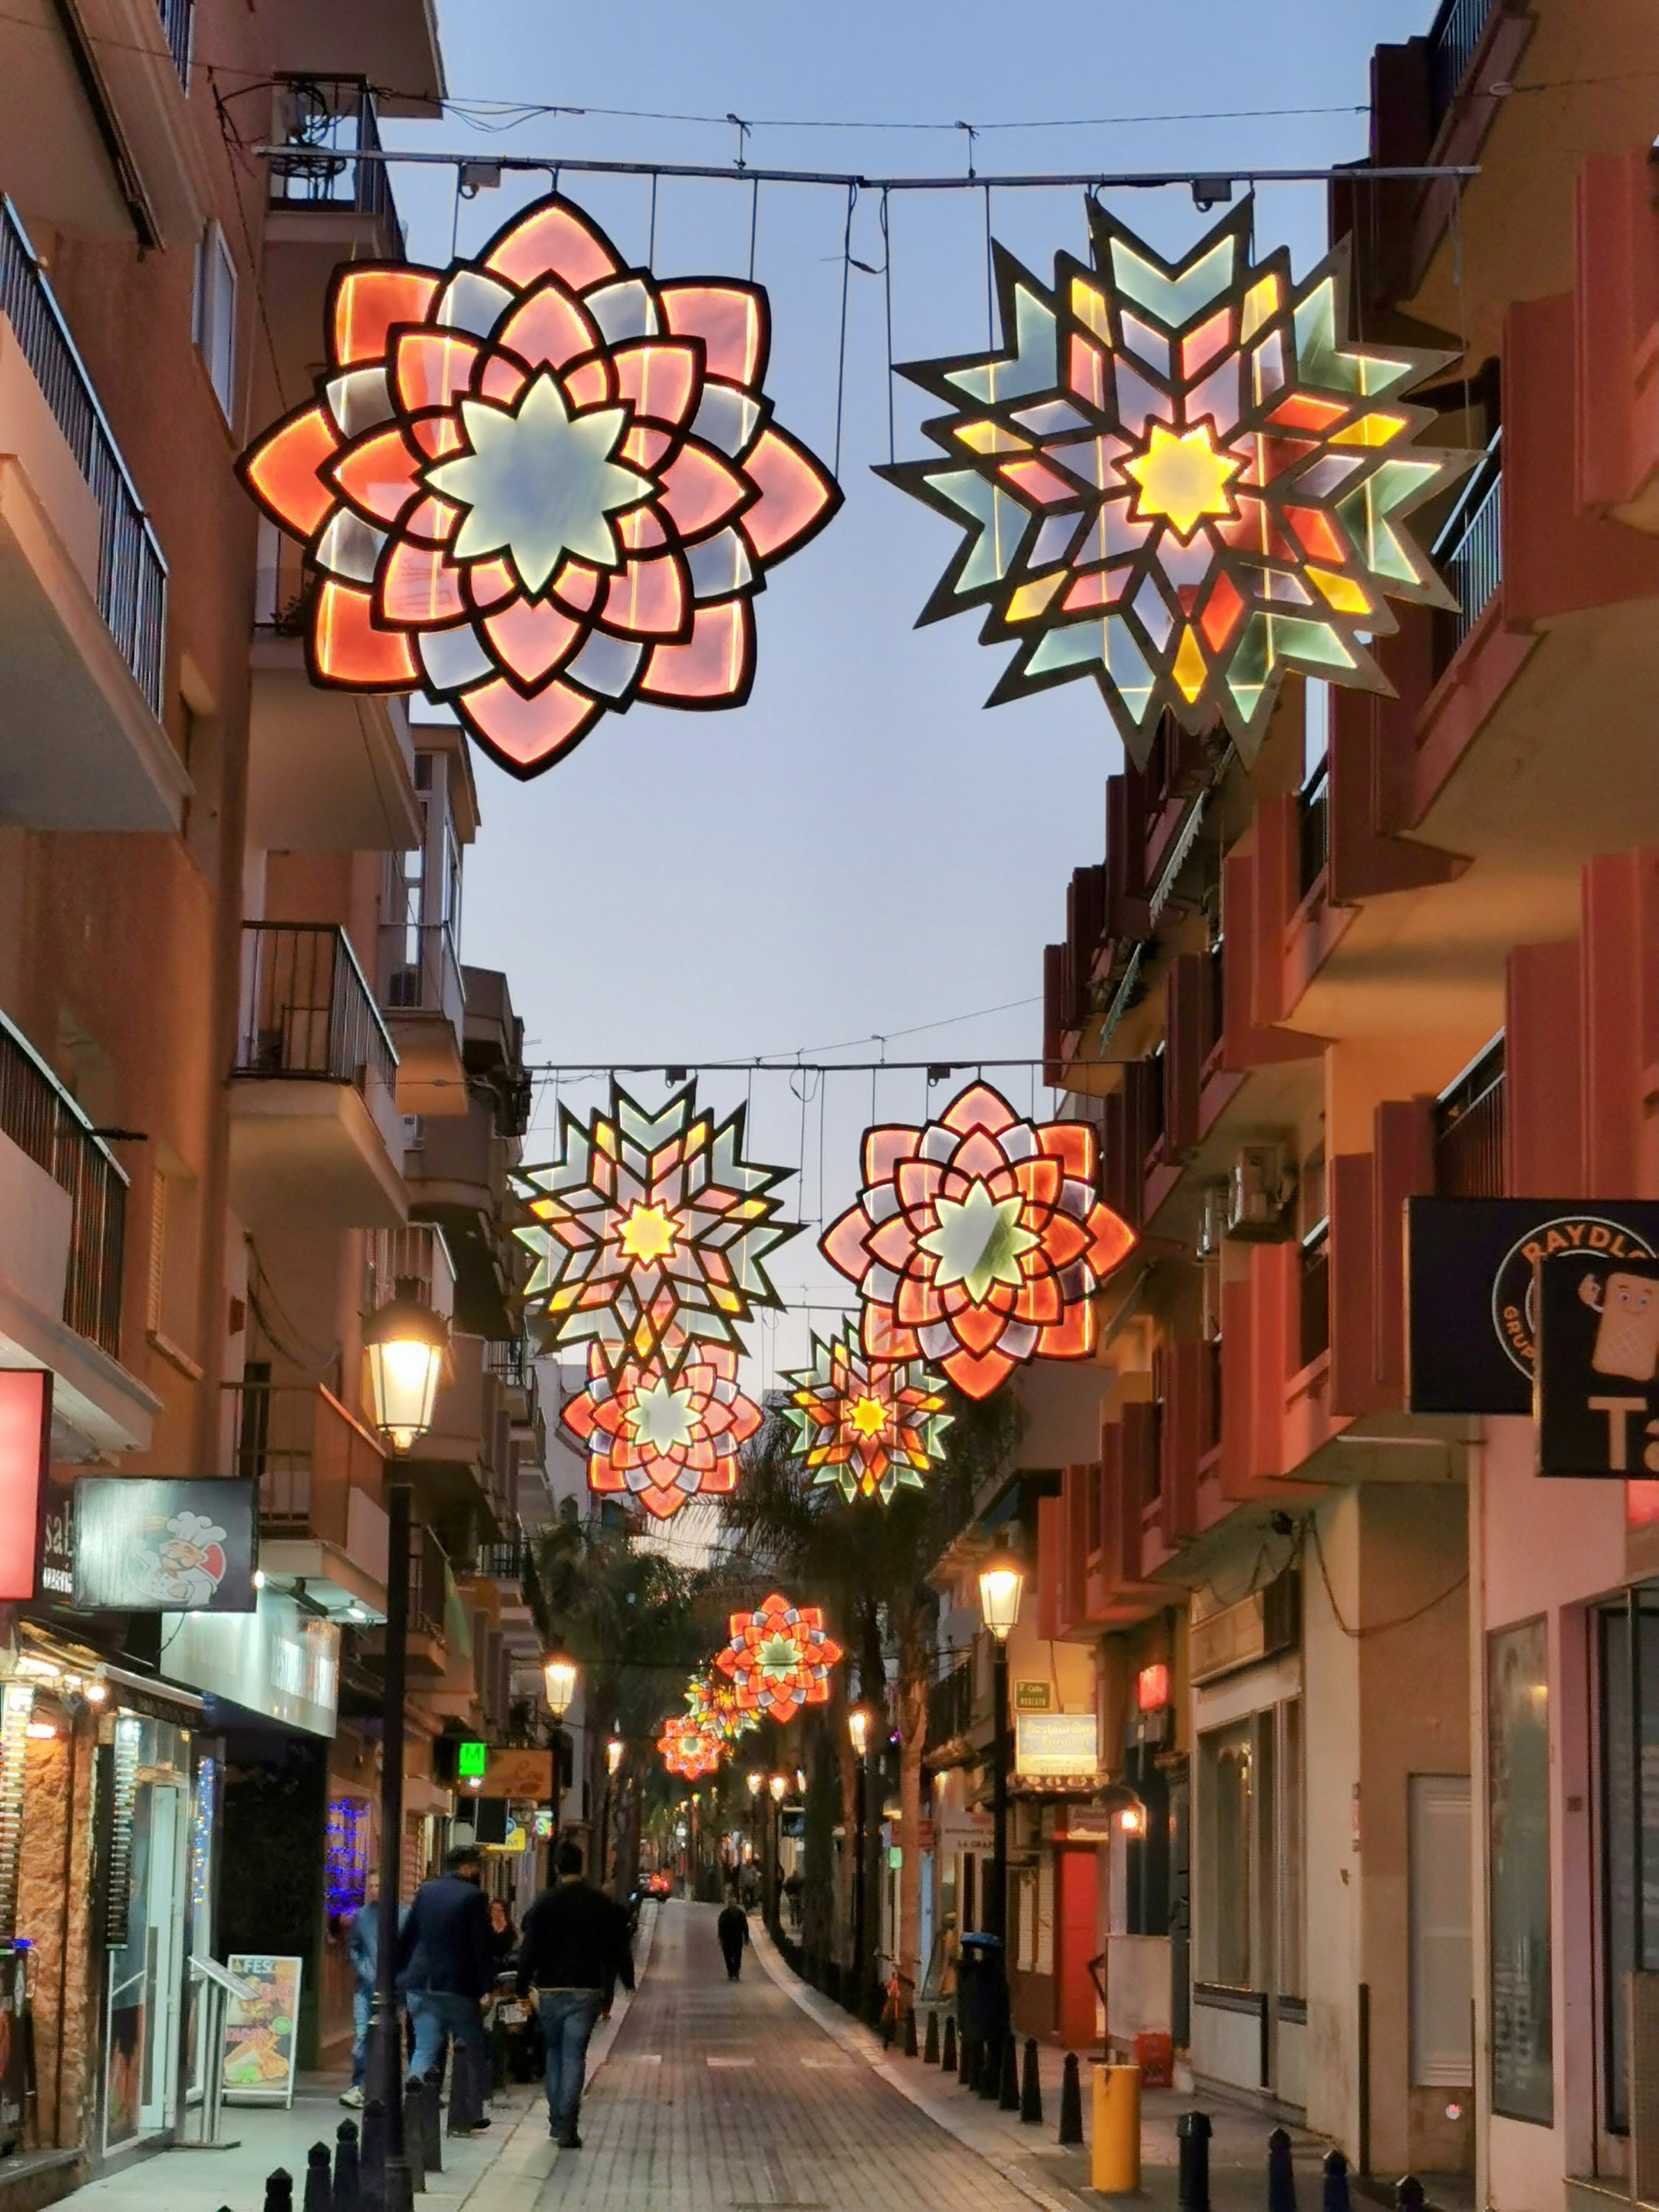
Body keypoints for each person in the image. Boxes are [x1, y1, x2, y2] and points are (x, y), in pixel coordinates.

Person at [516, 1840, 635, 2147]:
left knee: (554, 2053)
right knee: (574, 2056)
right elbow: (618, 1943)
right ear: (581, 1867)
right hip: (586, 1989)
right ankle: (569, 2122)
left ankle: (557, 2120)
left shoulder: (545, 1902)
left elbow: (529, 1945)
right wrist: (626, 1979)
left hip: (550, 1989)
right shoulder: (598, 1903)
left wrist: (522, 1984)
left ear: (557, 1867)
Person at [395, 1843, 494, 2123]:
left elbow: (409, 1935)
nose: (478, 1872)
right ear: (466, 1867)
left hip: (421, 1983)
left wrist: (400, 1974)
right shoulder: (474, 1897)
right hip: (457, 1986)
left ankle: (414, 2107)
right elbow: (480, 1945)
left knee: (425, 2047)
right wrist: (487, 1986)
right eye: (477, 1866)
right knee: (470, 2047)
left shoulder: (425, 1892)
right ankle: (469, 2112)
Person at [341, 1874, 380, 2107]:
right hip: (364, 1987)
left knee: (383, 2038)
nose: (374, 1890)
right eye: (371, 1886)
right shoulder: (361, 1916)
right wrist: (362, 1967)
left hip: (388, 1989)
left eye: (378, 1886)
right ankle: (358, 2085)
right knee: (362, 2034)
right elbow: (353, 1948)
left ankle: (375, 2086)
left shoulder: (401, 1915)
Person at [716, 1891, 748, 1981]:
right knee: (728, 1956)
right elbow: (720, 1926)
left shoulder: (740, 1914)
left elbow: (745, 1926)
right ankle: (730, 1972)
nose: (732, 1905)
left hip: (737, 1938)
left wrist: (746, 1937)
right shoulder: (724, 1914)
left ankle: (736, 1972)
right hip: (727, 1939)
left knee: (738, 1956)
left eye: (733, 1903)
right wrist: (721, 1937)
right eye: (731, 1903)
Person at [487, 1896, 518, 1969]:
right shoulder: (486, 1926)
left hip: (505, 1961)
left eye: (500, 1911)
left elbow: (512, 1945)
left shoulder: (509, 1927)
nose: (496, 1913)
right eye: (494, 1910)